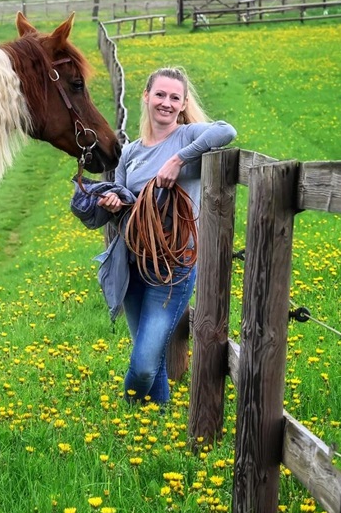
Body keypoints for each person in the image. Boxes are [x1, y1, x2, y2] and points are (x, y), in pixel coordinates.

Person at [95, 66, 237, 405]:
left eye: (175, 97)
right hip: (132, 263)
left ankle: (128, 410)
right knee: (152, 356)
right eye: (160, 94)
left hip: (173, 268)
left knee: (144, 363)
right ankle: (155, 424)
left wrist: (178, 159)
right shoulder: (130, 152)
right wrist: (115, 201)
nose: (166, 103)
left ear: (184, 102)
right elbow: (126, 196)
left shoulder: (188, 137)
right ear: (146, 97)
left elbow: (226, 131)